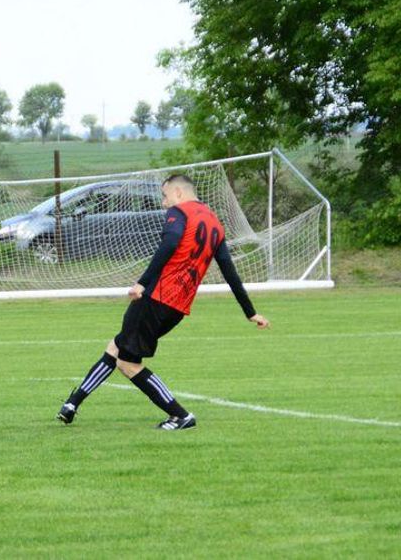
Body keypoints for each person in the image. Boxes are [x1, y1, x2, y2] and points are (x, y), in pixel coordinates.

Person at [56, 174, 270, 430]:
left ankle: (181, 415)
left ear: (178, 193)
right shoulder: (215, 224)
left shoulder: (180, 212)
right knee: (117, 345)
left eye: (165, 196)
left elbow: (170, 242)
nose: (164, 203)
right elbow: (229, 270)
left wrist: (143, 283)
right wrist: (250, 312)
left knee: (127, 363)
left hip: (156, 297)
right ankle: (72, 404)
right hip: (177, 306)